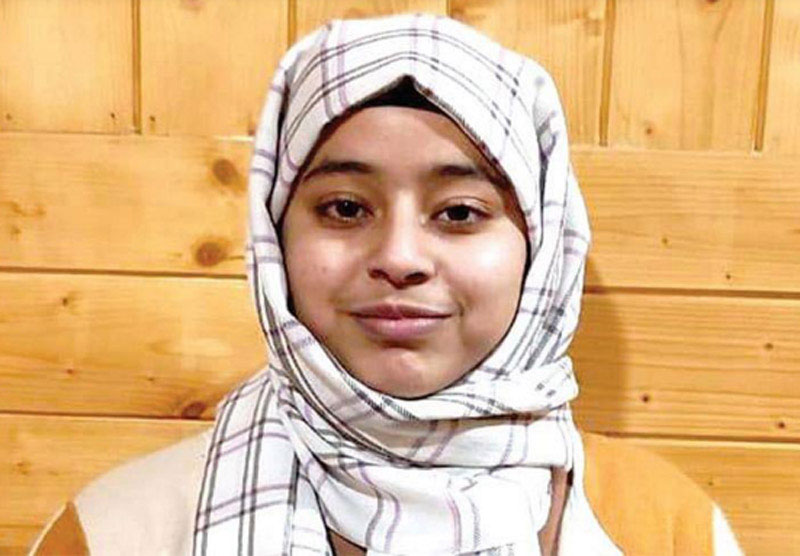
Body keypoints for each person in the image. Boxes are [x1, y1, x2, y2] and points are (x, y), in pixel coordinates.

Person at [30, 13, 742, 556]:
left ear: (541, 251)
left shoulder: (670, 531)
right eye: (345, 209)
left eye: (459, 213)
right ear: (275, 238)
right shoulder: (116, 532)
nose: (400, 257)